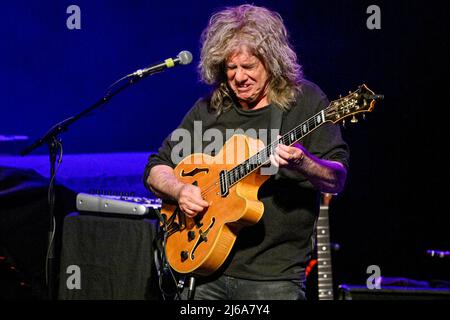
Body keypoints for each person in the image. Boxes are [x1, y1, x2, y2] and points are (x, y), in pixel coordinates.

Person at [144, 4, 349, 300]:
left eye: (249, 66)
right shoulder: (211, 108)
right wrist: (179, 191)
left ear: (271, 62)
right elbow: (156, 167)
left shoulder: (306, 102)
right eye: (231, 68)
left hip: (276, 280)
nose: (239, 77)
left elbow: (336, 180)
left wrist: (304, 161)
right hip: (204, 272)